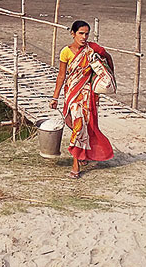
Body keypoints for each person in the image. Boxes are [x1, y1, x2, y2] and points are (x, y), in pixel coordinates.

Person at [50, 20, 114, 178]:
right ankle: (83, 151)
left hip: (87, 94)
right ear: (73, 33)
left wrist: (108, 75)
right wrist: (55, 97)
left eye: (86, 34)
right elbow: (61, 75)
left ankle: (76, 164)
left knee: (80, 125)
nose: (84, 37)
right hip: (71, 92)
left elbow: (107, 57)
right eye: (81, 33)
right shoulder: (66, 52)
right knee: (72, 123)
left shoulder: (93, 49)